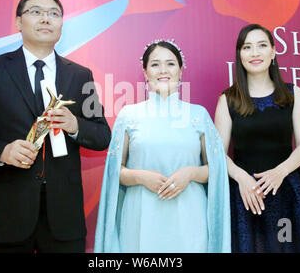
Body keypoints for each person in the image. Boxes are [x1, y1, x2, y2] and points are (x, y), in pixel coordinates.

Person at [0, 0, 111, 253]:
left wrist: (75, 125)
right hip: (4, 213)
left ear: (60, 25)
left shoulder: (80, 75)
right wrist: (2, 151)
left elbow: (102, 136)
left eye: (53, 14)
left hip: (64, 216)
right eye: (36, 12)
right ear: (18, 22)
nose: (46, 19)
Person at [94, 39, 231, 252]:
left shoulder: (199, 114)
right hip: (141, 215)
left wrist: (191, 173)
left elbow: (216, 168)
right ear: (146, 72)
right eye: (155, 64)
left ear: (181, 70)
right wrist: (141, 177)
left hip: (189, 216)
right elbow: (115, 171)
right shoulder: (129, 115)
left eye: (170, 63)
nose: (163, 70)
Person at [214, 24, 300, 252]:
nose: (255, 53)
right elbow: (218, 152)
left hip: (287, 193)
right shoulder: (228, 99)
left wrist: (279, 172)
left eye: (261, 46)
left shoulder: (292, 93)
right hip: (246, 197)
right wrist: (242, 178)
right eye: (247, 47)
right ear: (240, 55)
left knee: (287, 246)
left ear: (273, 51)